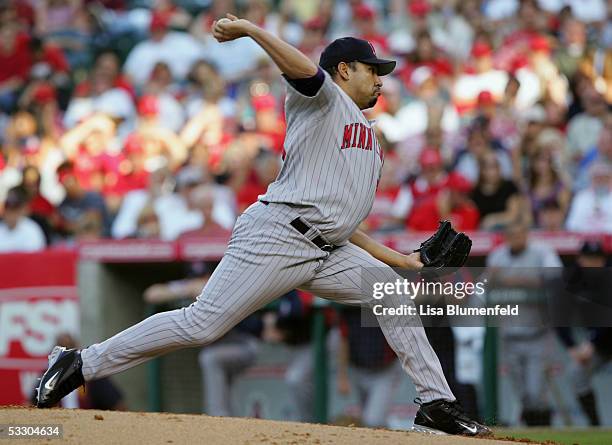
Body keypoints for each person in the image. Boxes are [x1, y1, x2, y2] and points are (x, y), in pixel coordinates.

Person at [35, 14, 489, 436]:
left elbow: (343, 219)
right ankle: (81, 362)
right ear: (345, 69)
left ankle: (436, 403)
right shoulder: (324, 99)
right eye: (372, 69)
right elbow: (306, 71)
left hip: (328, 248)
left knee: (391, 293)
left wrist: (403, 260)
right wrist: (252, 29)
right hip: (278, 235)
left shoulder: (370, 139)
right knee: (201, 325)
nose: (380, 78)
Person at [486, 222, 563, 426]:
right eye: (512, 235)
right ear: (506, 237)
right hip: (509, 335)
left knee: (536, 391)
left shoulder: (542, 252)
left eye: (520, 235)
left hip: (538, 334)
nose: (516, 239)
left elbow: (555, 277)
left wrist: (517, 280)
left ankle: (544, 433)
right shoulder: (498, 255)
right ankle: (534, 435)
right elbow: (486, 285)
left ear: (526, 235)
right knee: (523, 394)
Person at [557, 240, 611, 426]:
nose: (593, 264)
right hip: (601, 346)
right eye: (589, 259)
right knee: (576, 373)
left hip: (600, 339)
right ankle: (595, 426)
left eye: (597, 260)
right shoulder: (574, 280)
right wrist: (571, 346)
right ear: (580, 260)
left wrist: (592, 342)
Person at [0, 186, 46, 252]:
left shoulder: (32, 229)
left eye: (14, 209)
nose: (10, 213)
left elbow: (36, 257)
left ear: (21, 210)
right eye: (8, 208)